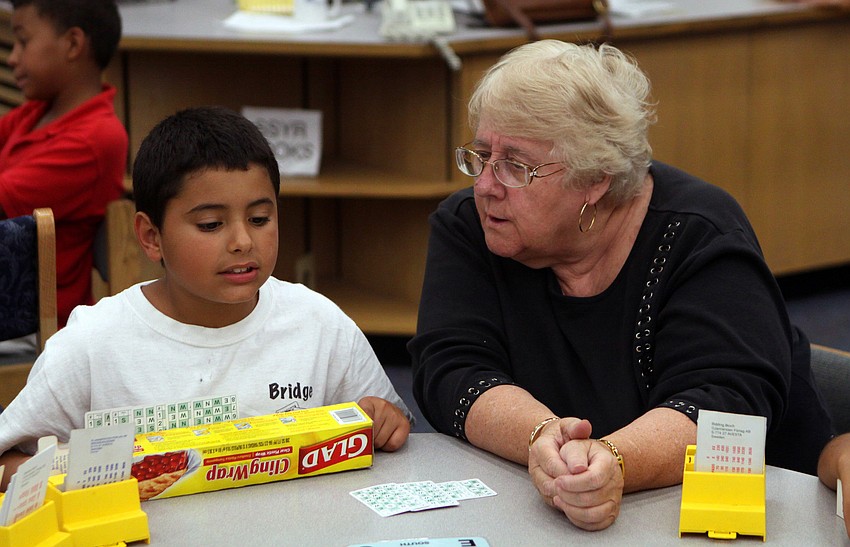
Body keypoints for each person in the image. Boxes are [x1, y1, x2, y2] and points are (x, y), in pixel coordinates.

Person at [408, 40, 834, 531]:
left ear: (596, 181)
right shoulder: (472, 227)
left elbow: (724, 402)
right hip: (552, 521)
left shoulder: (699, 236)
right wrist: (541, 437)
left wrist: (613, 461)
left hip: (745, 520)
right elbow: (449, 368)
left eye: (515, 166)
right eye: (481, 155)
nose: (485, 185)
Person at [0, 106, 411, 490]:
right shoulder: (93, 344)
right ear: (150, 236)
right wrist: (92, 472)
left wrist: (384, 421)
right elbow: (6, 461)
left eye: (260, 219)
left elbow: (389, 426)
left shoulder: (318, 324)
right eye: (212, 224)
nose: (242, 241)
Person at [0, 0, 127, 345]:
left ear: (72, 43)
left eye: (23, 42)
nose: (13, 58)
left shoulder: (95, 139)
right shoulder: (37, 112)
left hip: (29, 326)